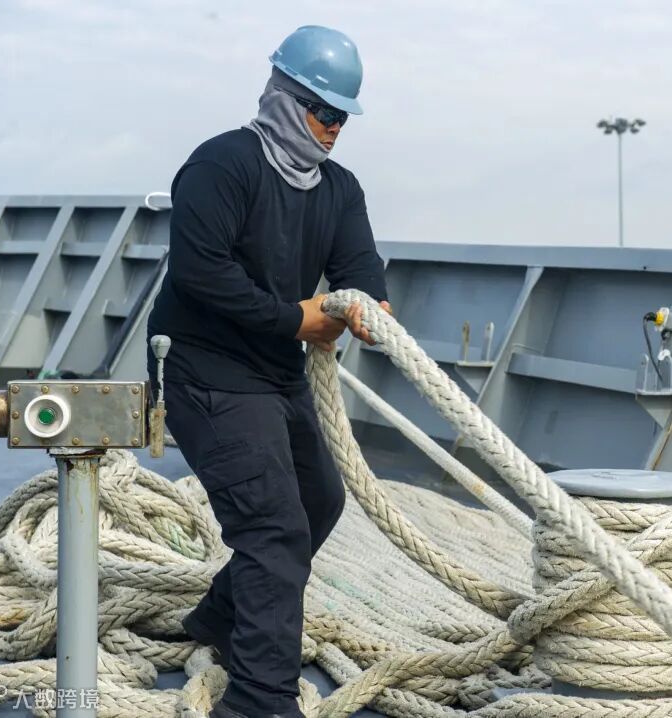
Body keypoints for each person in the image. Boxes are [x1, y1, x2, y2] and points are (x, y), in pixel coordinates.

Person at [145, 25, 391, 718]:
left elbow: (359, 271)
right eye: (324, 112)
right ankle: (258, 701)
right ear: (285, 98)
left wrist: (369, 306)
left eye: (343, 117)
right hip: (204, 368)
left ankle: (223, 619)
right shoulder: (221, 165)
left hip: (275, 371)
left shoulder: (338, 190)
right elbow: (202, 274)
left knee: (319, 502)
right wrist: (296, 320)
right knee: (274, 527)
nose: (335, 129)